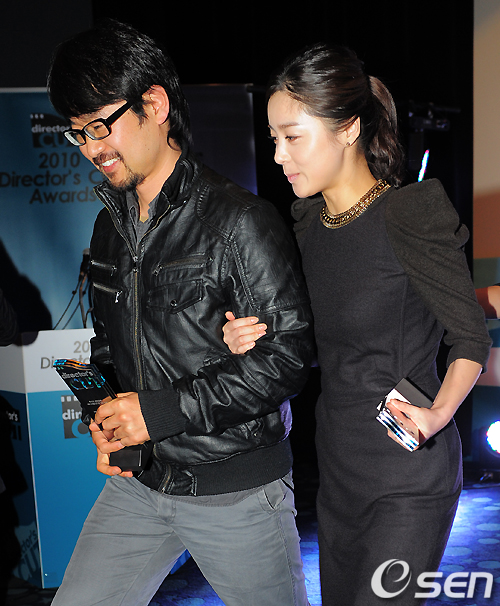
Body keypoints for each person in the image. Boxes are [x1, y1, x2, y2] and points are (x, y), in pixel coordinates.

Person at [46, 20, 314, 606]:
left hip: (236, 487)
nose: (91, 148)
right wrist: (106, 421)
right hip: (140, 485)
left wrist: (158, 413)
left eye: (100, 126)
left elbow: (286, 359)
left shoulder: (239, 221)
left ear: (155, 105)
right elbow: (108, 344)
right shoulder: (109, 226)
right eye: (78, 133)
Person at [222, 43, 492, 605]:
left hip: (408, 477)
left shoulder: (407, 213)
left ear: (348, 129)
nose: (278, 155)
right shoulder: (307, 225)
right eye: (274, 139)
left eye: (292, 137)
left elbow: (468, 335)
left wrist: (438, 414)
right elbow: (314, 343)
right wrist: (252, 335)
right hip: (339, 469)